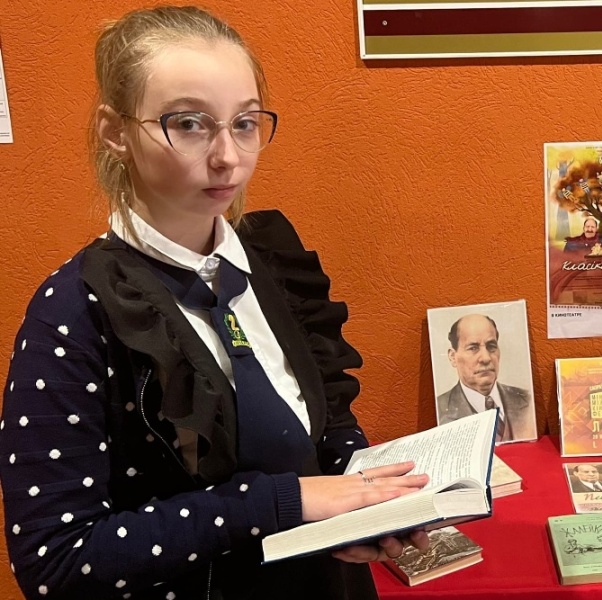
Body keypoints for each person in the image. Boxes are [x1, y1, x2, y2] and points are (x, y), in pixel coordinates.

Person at [0, 7, 429, 600]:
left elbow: (325, 423)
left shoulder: (270, 259)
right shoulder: (75, 309)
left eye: (245, 123)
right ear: (115, 131)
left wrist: (366, 502)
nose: (228, 155)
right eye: (189, 124)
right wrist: (280, 501)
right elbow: (55, 564)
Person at [435, 315, 536, 443]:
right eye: (473, 348)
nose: (486, 358)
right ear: (453, 357)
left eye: (491, 346)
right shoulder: (441, 409)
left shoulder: (527, 401)